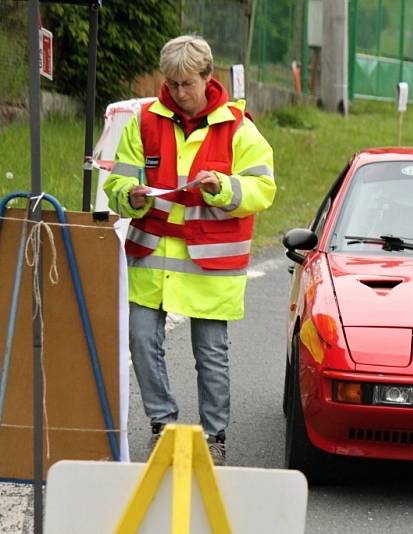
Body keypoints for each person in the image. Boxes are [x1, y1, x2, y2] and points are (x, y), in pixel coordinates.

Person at [104, 35, 276, 465]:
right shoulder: (143, 122)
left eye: (187, 84)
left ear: (207, 77)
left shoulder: (239, 128)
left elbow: (262, 189)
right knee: (142, 341)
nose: (180, 93)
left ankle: (213, 438)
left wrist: (224, 189)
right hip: (151, 259)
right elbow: (116, 185)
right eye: (173, 84)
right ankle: (163, 426)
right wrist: (132, 196)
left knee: (210, 354)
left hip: (211, 265)